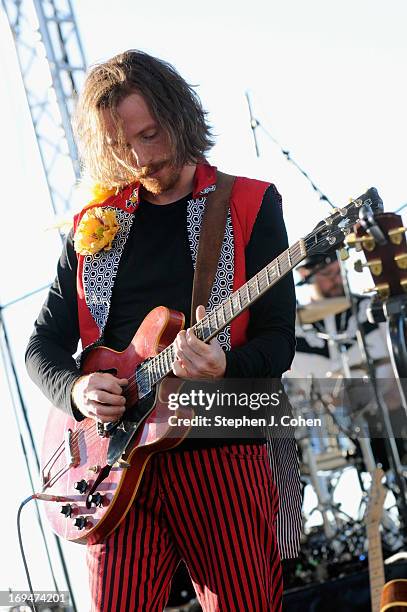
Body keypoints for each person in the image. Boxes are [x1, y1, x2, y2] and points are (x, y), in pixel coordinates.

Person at [25, 50, 301, 611]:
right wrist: (77, 391)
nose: (139, 157)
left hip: (219, 451)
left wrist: (226, 366)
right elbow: (42, 346)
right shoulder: (92, 225)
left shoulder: (250, 202)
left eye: (149, 135)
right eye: (120, 146)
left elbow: (278, 342)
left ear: (178, 117)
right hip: (113, 470)